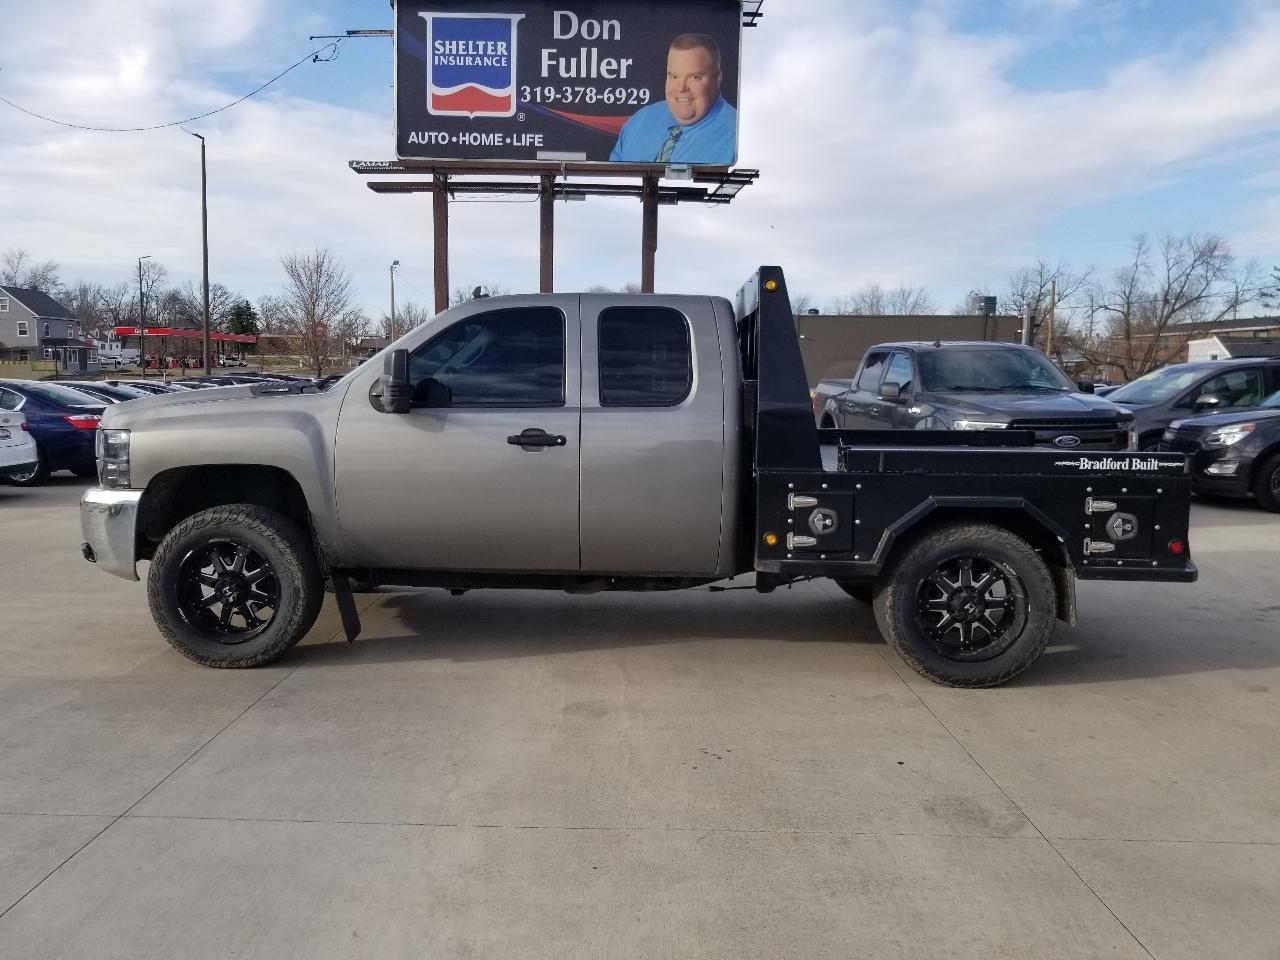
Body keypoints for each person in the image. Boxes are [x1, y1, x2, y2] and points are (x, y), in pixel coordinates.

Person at [609, 33, 737, 164]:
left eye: (695, 77)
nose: (681, 88)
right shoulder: (639, 122)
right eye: (674, 76)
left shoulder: (737, 138)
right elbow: (611, 181)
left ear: (717, 78)